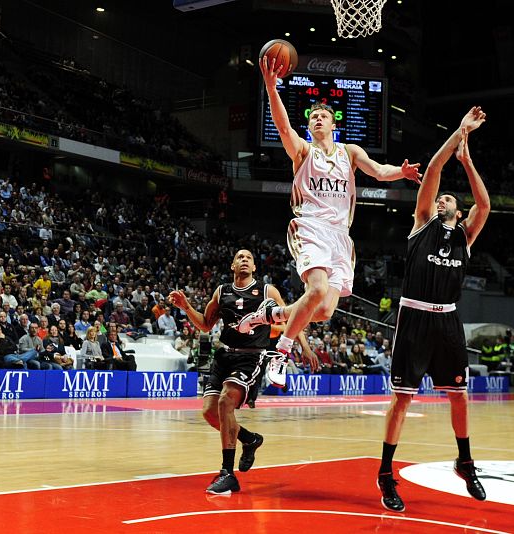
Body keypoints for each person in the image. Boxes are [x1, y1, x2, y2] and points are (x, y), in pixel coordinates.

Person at [233, 56, 422, 388]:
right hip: (310, 227)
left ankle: (269, 315)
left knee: (322, 312)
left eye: (323, 116)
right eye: (313, 117)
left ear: (335, 124)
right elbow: (283, 127)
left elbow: (380, 172)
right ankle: (281, 353)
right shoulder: (303, 152)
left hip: (341, 237)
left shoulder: (350, 152)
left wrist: (401, 172)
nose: (318, 119)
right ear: (309, 126)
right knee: (317, 289)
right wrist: (271, 88)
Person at [376, 106, 489, 512]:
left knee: (459, 395)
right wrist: (459, 132)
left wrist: (468, 160)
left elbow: (484, 205)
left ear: (458, 211)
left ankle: (465, 461)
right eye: (440, 196)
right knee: (402, 399)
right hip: (415, 315)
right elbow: (436, 167)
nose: (442, 198)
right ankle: (385, 473)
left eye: (448, 198)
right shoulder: (423, 221)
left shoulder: (465, 235)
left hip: (448, 318)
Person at [168, 249, 319, 495]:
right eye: (240, 257)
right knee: (209, 413)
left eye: (249, 257)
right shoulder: (222, 292)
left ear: (255, 267)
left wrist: (305, 347)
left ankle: (227, 473)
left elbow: (294, 316)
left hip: (251, 357)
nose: (245, 260)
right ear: (233, 266)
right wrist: (186, 306)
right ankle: (249, 439)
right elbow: (205, 325)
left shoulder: (267, 291)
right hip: (224, 355)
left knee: (226, 401)